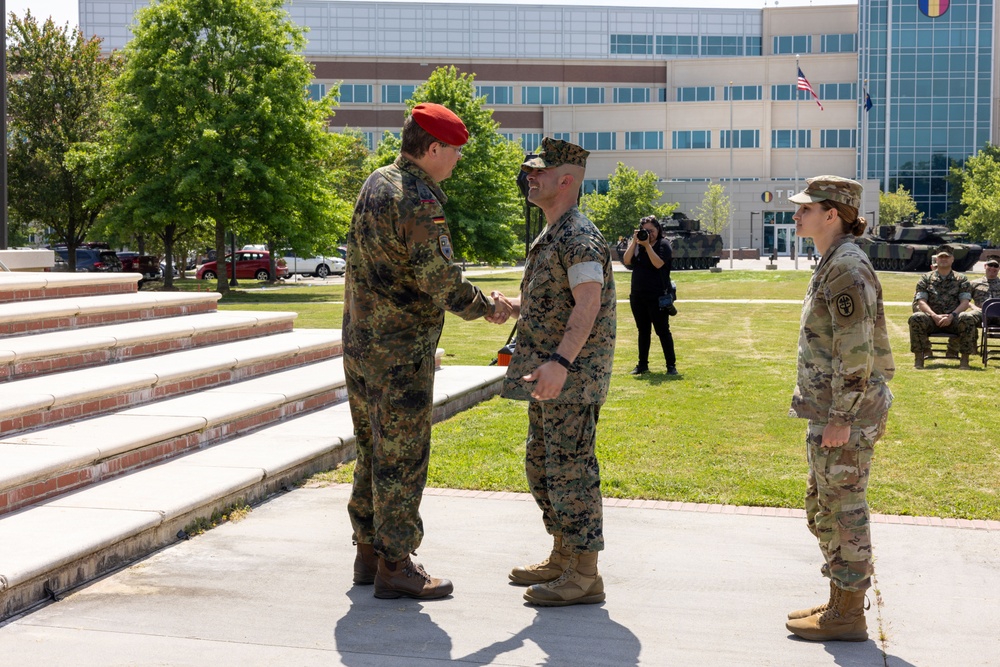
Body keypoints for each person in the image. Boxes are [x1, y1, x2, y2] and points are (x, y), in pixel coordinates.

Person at [342, 103, 511, 600]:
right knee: (403, 456)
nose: (456, 161)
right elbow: (440, 280)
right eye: (454, 152)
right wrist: (489, 308)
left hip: (361, 344)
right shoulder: (418, 199)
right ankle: (396, 565)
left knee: (373, 447)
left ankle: (367, 552)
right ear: (432, 148)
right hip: (400, 352)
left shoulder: (376, 181)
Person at [492, 138, 616, 607]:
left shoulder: (579, 235)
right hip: (547, 379)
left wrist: (562, 363)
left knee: (571, 472)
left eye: (538, 172)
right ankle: (564, 554)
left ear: (566, 180)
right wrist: (514, 307)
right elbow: (556, 299)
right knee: (543, 467)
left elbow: (588, 302)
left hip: (570, 379)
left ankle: (585, 573)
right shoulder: (555, 232)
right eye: (529, 170)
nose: (530, 177)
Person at [785, 176, 894, 642]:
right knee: (822, 506)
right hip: (830, 411)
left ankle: (849, 612)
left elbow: (857, 351)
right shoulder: (832, 262)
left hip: (845, 415)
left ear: (833, 215)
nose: (797, 214)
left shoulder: (846, 267)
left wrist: (841, 418)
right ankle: (839, 598)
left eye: (806, 208)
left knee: (844, 507)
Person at [622, 215, 678, 375]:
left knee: (662, 331)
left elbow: (658, 263)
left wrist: (647, 246)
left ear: (658, 229)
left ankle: (671, 366)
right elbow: (627, 261)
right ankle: (642, 365)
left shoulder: (664, 244)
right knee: (643, 331)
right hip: (638, 296)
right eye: (645, 231)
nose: (649, 234)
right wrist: (634, 242)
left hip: (657, 296)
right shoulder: (638, 244)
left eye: (651, 231)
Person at [907, 247, 977, 369]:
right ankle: (919, 359)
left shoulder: (961, 279)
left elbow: (965, 302)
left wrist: (952, 316)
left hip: (954, 320)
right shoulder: (926, 278)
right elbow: (921, 301)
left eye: (947, 257)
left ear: (952, 259)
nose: (944, 259)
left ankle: (964, 360)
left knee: (967, 317)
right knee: (916, 317)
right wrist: (934, 316)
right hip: (932, 320)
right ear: (936, 259)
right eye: (941, 257)